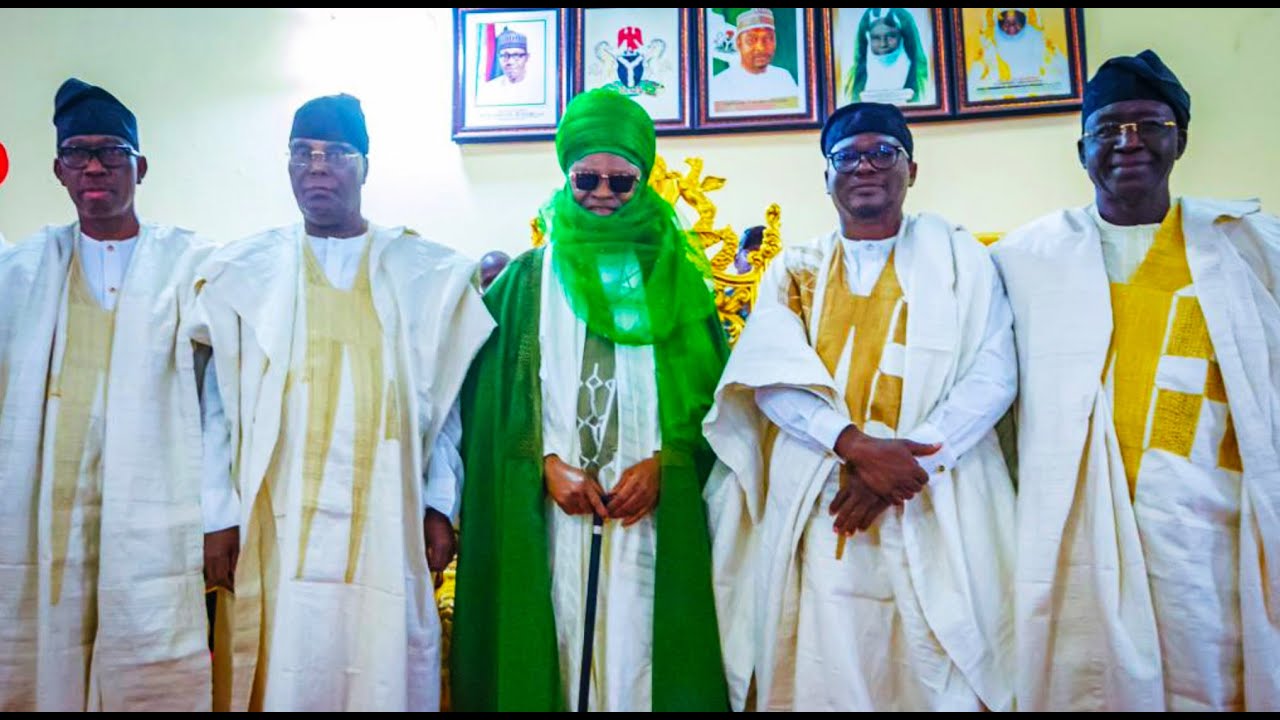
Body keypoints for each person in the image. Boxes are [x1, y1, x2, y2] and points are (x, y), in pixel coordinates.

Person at [704, 101, 1017, 711]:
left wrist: (911, 461)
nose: (865, 167)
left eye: (883, 153)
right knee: (830, 659)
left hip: (938, 493)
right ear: (826, 176)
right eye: (846, 157)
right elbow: (770, 378)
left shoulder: (962, 259)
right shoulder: (794, 269)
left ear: (912, 170)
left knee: (937, 665)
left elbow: (995, 370)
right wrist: (857, 447)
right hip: (824, 495)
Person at [993, 49, 1280, 712]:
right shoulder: (1024, 258)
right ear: (1081, 149)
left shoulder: (1248, 248)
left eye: (1148, 125)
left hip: (1209, 527)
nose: (1129, 143)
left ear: (1179, 137)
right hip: (1077, 530)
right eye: (1108, 129)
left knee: (1212, 678)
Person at [193, 93, 494, 711]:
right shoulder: (243, 271)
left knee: (379, 659)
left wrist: (440, 504)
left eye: (335, 154)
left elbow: (442, 410)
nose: (318, 167)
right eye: (302, 153)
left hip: (389, 518)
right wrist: (217, 514)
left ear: (365, 166)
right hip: (274, 523)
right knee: (282, 665)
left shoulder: (422, 274)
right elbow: (218, 408)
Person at [451, 88, 731, 712]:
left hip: (649, 516)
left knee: (640, 657)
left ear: (642, 179)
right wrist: (541, 464)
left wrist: (669, 465)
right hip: (551, 515)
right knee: (555, 648)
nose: (603, 193)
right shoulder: (525, 281)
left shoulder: (678, 283)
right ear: (567, 175)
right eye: (587, 178)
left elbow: (720, 405)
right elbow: (480, 403)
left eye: (621, 181)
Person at [0, 78, 213, 711]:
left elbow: (224, 399)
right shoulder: (21, 271)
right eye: (78, 153)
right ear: (58, 170)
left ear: (140, 167)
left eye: (111, 151)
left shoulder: (193, 264)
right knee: (49, 643)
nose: (95, 166)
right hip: (49, 501)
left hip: (153, 503)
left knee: (145, 641)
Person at [966, 8, 1070, 100]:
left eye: (1016, 22)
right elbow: (975, 90)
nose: (1012, 27)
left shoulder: (1042, 45)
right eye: (1006, 23)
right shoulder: (988, 49)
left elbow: (1062, 82)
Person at [711, 8, 801, 109]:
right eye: (751, 40)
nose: (760, 48)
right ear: (738, 43)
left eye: (767, 39)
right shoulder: (720, 83)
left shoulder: (783, 77)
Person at [845, 8, 929, 105]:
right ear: (868, 38)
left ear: (903, 37)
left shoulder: (922, 81)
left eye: (891, 36)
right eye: (876, 38)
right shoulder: (853, 83)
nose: (883, 44)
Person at [475, 27, 542, 107]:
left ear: (527, 57)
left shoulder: (539, 89)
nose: (510, 61)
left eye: (516, 55)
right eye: (504, 55)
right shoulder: (488, 90)